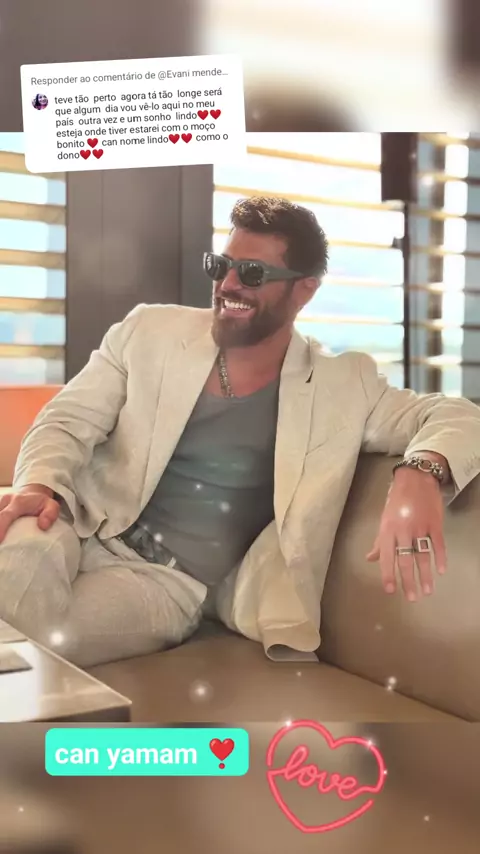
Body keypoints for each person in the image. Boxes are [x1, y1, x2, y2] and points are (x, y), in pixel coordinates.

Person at [1, 196, 480, 669]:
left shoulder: (343, 385)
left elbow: (457, 415)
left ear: (304, 290)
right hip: (72, 519)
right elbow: (67, 419)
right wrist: (39, 485)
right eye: (221, 265)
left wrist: (419, 473)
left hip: (163, 583)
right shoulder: (148, 331)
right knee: (11, 583)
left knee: (40, 638)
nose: (228, 284)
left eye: (252, 273)